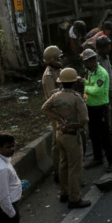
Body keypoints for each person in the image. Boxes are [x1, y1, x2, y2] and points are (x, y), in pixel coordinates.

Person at [41, 67, 90, 209]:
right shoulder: (76, 98)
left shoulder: (56, 96)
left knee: (63, 164)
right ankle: (74, 198)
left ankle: (64, 193)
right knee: (75, 168)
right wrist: (73, 125)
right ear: (74, 82)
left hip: (59, 134)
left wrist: (59, 118)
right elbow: (85, 119)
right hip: (72, 137)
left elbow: (44, 108)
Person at [81, 48, 112, 173]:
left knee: (105, 136)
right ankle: (97, 158)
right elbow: (90, 85)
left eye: (86, 62)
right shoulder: (89, 71)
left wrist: (84, 87)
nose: (84, 64)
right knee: (93, 134)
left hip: (101, 108)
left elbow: (98, 90)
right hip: (91, 107)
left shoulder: (101, 73)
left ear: (93, 60)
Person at [41, 45, 63, 183]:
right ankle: (58, 172)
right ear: (51, 60)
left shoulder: (58, 70)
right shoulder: (48, 76)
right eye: (58, 58)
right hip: (56, 113)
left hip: (64, 110)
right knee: (58, 143)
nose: (60, 60)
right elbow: (52, 96)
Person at [94, 35, 112, 139]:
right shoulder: (97, 61)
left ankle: (110, 129)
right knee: (104, 113)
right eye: (106, 47)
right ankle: (104, 132)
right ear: (100, 49)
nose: (109, 48)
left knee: (109, 112)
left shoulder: (106, 56)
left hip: (110, 89)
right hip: (103, 92)